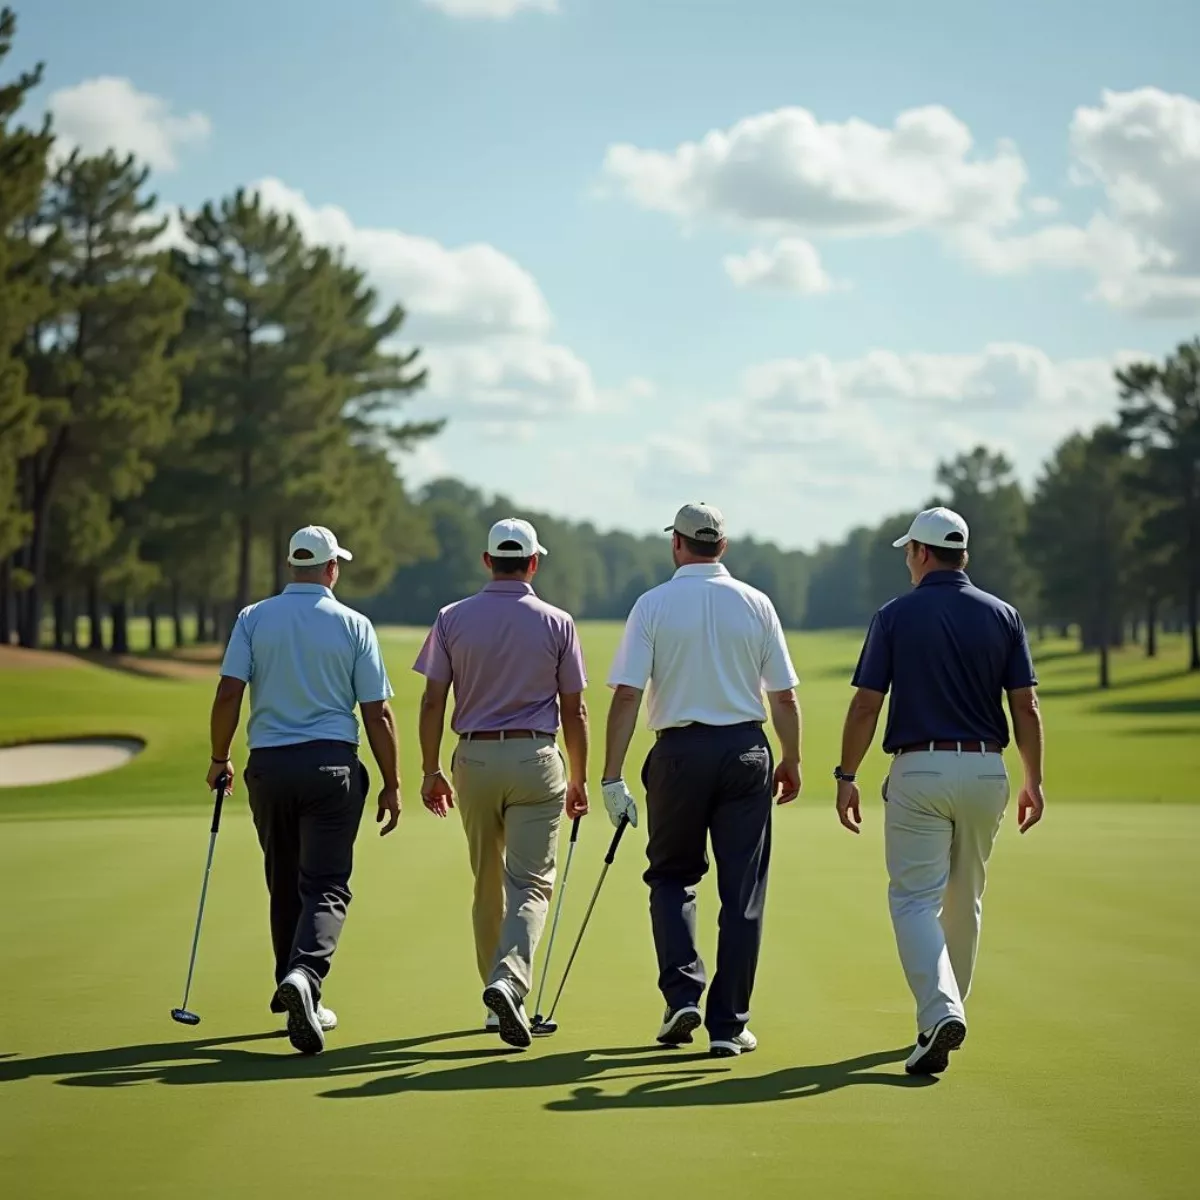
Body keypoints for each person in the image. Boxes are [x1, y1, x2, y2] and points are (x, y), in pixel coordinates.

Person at [834, 506, 1045, 1076]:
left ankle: (941, 1010)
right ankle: (941, 1019)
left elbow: (866, 704)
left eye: (909, 551)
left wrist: (846, 775)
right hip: (986, 771)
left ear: (923, 553)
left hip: (920, 770)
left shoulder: (896, 615)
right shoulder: (1004, 615)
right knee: (964, 900)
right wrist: (1035, 780)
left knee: (912, 900)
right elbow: (1024, 704)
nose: (908, 560)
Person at [602, 502, 802, 1058]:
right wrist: (793, 758)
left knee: (671, 877)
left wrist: (610, 777)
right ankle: (727, 1026)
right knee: (742, 895)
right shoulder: (757, 603)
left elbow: (626, 694)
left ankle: (682, 992)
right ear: (724, 546)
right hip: (745, 752)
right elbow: (782, 695)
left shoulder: (653, 604)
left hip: (679, 755)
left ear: (677, 544)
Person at [208, 524, 401, 1056]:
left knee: (284, 881)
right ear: (332, 568)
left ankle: (295, 989)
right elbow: (378, 712)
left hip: (269, 768)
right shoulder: (353, 623)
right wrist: (392, 783)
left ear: (293, 566)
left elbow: (229, 693)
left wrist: (220, 757)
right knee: (327, 884)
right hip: (332, 768)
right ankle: (305, 978)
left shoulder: (253, 618)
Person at [413, 517, 590, 1050]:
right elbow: (574, 708)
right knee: (531, 884)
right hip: (537, 757)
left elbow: (431, 700)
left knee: (487, 881)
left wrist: (429, 770)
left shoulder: (452, 618)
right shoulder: (558, 621)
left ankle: (495, 1003)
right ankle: (508, 982)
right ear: (533, 562)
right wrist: (580, 775)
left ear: (487, 561)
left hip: (475, 760)